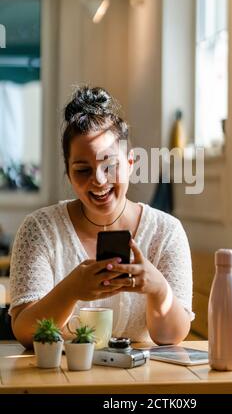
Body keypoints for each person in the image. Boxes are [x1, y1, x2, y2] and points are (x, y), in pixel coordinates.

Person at [9, 86, 194, 348]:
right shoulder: (39, 229)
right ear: (69, 173)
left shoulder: (166, 231)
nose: (98, 180)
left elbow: (170, 337)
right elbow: (26, 333)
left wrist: (158, 289)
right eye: (83, 169)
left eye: (110, 166)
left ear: (130, 164)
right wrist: (71, 290)